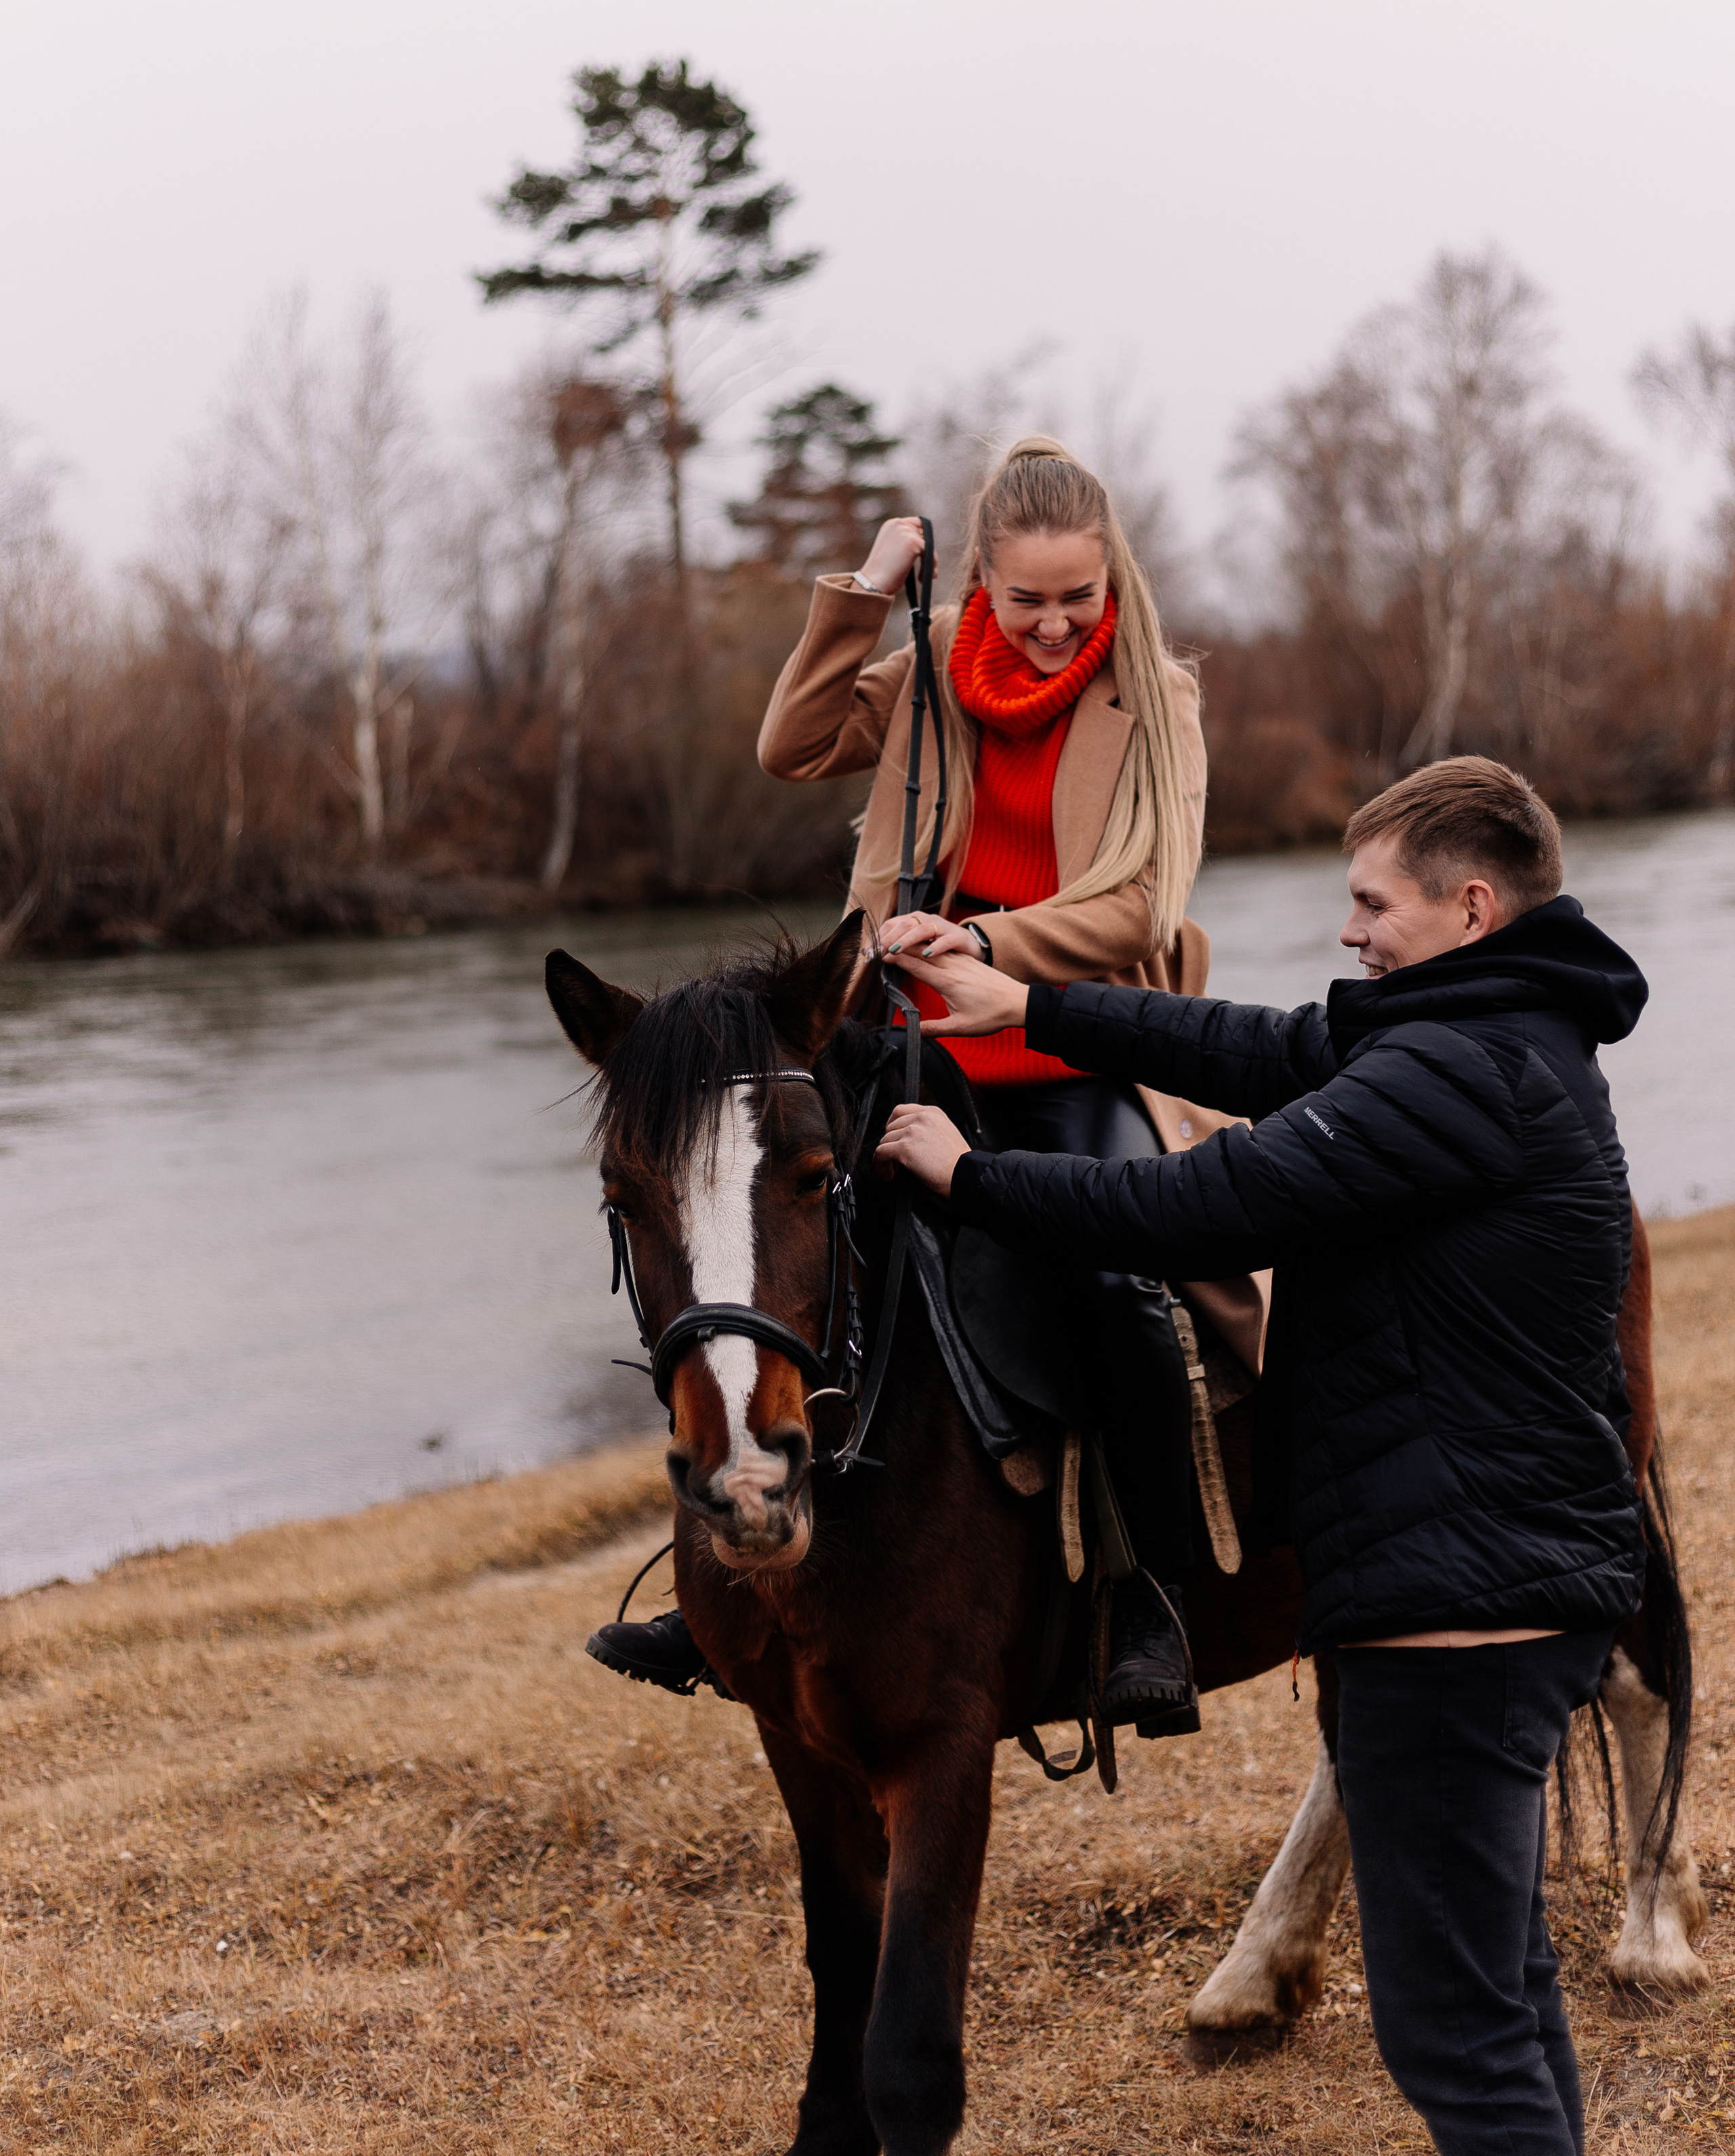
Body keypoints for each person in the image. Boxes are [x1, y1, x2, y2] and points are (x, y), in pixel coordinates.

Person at [876, 755, 1646, 2156]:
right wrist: (1027, 1004)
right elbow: (1262, 1049)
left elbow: (1200, 1199)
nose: (1348, 930)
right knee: (1499, 1989)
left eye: (1369, 903)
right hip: (1488, 1590)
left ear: (1467, 906)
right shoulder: (1488, 1032)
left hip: (1455, 1616)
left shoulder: (1456, 1072)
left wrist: (971, 1176)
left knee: (1450, 2031)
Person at [590, 435, 1263, 1732]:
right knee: (781, 1263)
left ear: (1110, 574)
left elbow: (1139, 905)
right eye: (1030, 600)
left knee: (1116, 1283)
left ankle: (1148, 1599)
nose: (1060, 624)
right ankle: (732, 1579)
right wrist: (860, 586)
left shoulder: (1153, 695)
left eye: (1081, 595)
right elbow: (788, 747)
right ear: (982, 585)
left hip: (1071, 1042)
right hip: (899, 1046)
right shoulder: (933, 667)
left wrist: (988, 945)